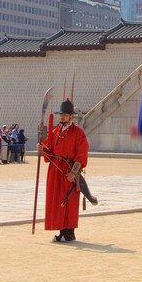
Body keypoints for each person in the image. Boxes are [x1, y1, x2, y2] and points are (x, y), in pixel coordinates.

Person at [41, 98, 89, 243]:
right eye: (61, 115)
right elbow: (49, 151)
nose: (62, 117)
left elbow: (81, 154)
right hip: (55, 171)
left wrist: (74, 172)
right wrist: (42, 149)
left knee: (68, 200)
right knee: (57, 200)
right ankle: (62, 230)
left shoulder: (78, 133)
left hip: (68, 170)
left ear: (71, 116)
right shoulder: (56, 131)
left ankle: (68, 232)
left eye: (65, 115)